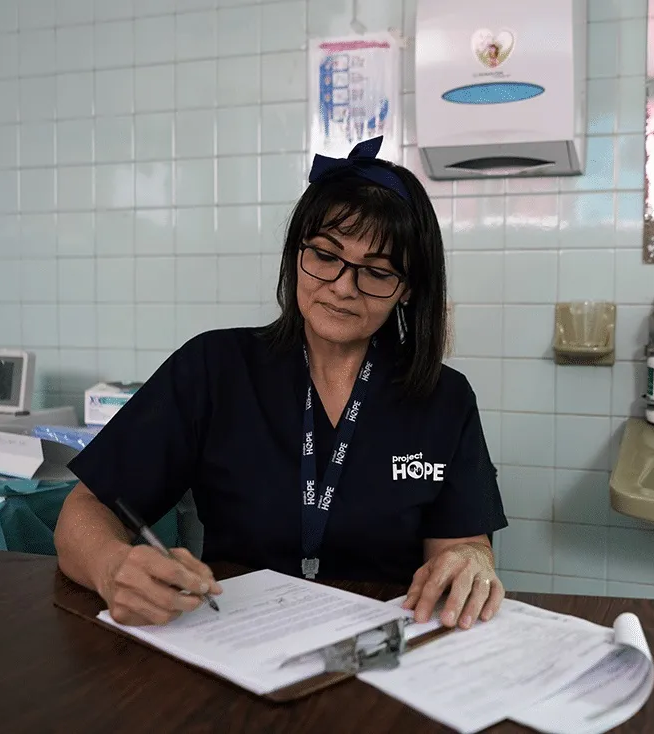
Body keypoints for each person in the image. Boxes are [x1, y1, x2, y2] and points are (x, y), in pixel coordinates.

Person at [54, 136, 508, 632]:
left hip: (383, 649)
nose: (342, 286)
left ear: (408, 289)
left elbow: (460, 548)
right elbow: (87, 508)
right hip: (233, 639)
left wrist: (471, 561)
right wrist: (113, 566)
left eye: (376, 272)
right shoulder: (215, 367)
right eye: (325, 255)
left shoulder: (444, 398)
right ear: (296, 253)